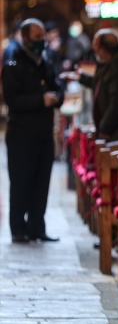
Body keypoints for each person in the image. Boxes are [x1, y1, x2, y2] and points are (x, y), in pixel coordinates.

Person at [1, 18, 65, 243]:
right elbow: (13, 101)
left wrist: (57, 96)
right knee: (21, 184)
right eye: (38, 38)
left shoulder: (45, 63)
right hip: (21, 136)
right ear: (26, 38)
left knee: (41, 184)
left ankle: (37, 227)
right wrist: (41, 100)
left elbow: (57, 88)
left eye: (43, 37)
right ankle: (18, 229)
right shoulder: (13, 65)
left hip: (43, 135)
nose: (42, 42)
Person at [60, 28, 118, 141]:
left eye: (95, 45)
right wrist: (82, 78)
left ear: (103, 49)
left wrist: (105, 129)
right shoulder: (111, 63)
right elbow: (102, 86)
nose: (93, 48)